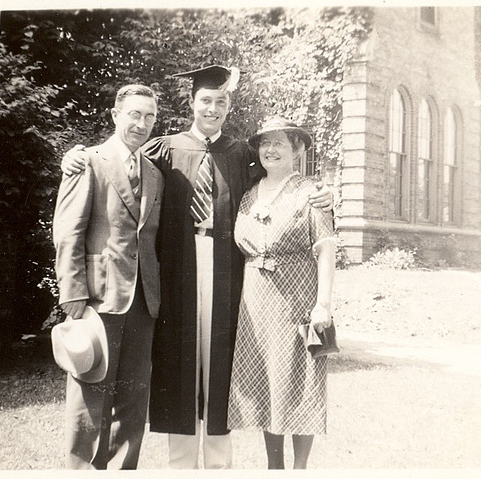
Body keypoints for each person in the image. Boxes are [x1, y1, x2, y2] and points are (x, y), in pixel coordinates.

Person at [60, 65, 333, 469]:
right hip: (175, 274)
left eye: (221, 102)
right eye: (205, 100)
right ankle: (181, 464)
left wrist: (323, 190)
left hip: (229, 273)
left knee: (223, 363)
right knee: (178, 361)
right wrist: (76, 154)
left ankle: (219, 465)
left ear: (228, 107)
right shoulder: (164, 148)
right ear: (192, 103)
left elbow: (283, 181)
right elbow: (119, 161)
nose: (213, 108)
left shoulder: (241, 154)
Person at [52, 84, 165, 469]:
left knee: (133, 404)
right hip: (98, 299)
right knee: (90, 399)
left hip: (143, 302)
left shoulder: (154, 172)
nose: (142, 123)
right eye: (134, 114)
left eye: (150, 116)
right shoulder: (88, 161)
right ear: (116, 115)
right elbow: (67, 231)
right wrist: (72, 293)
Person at [227, 117, 336, 469]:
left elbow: (326, 249)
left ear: (298, 150)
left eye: (279, 143)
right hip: (256, 301)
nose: (270, 150)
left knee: (300, 381)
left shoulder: (311, 192)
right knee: (265, 380)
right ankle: (274, 468)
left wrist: (323, 305)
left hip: (297, 297)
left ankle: (299, 470)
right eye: (264, 143)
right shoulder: (248, 194)